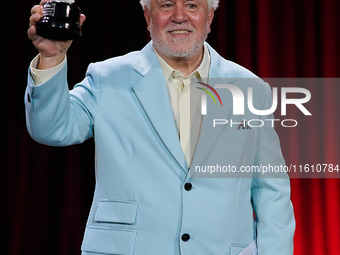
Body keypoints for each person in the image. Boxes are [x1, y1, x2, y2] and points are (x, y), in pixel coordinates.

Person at [26, 0, 295, 254]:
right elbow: (52, 129)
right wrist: (51, 58)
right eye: (166, 4)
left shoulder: (250, 88)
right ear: (147, 16)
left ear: (210, 15)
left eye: (192, 5)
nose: (180, 16)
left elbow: (272, 190)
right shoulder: (107, 78)